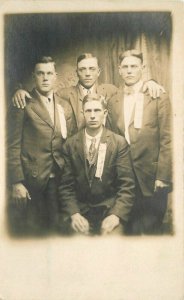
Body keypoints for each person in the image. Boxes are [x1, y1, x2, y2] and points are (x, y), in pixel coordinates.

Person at [7, 56, 75, 235]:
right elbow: (12, 146)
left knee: (58, 232)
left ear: (55, 76)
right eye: (40, 74)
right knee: (34, 234)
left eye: (49, 73)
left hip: (60, 181)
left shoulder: (65, 105)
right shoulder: (22, 103)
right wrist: (16, 182)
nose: (45, 78)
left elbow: (70, 142)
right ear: (34, 76)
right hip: (32, 183)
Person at [106, 49, 172, 235]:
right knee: (129, 232)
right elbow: (112, 139)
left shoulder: (158, 96)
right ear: (119, 70)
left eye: (134, 66)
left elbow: (167, 138)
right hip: (124, 180)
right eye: (125, 67)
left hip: (152, 178)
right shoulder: (113, 101)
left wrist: (163, 176)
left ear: (142, 68)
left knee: (152, 233)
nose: (129, 71)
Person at [12, 53, 165, 132]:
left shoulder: (111, 91)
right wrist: (20, 91)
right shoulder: (63, 94)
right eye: (83, 69)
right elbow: (43, 99)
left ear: (99, 72)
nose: (87, 73)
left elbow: (132, 92)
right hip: (76, 157)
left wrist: (150, 82)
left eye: (92, 69)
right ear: (77, 72)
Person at [58, 93, 135, 236]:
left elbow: (127, 186)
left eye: (97, 110)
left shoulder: (118, 143)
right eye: (88, 111)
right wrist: (74, 214)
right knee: (77, 246)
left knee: (112, 245)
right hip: (81, 211)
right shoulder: (70, 144)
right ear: (83, 113)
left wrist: (116, 215)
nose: (92, 115)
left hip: (109, 210)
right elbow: (65, 187)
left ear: (104, 113)